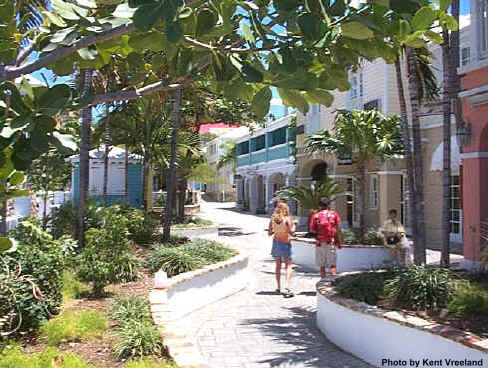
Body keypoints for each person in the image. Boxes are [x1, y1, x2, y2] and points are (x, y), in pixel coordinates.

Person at [309, 197, 342, 280]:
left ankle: (323, 281)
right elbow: (338, 229)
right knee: (333, 264)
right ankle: (334, 280)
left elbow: (312, 230)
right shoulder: (334, 214)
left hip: (319, 243)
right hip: (330, 242)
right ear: (328, 205)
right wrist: (339, 242)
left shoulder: (316, 215)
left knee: (322, 265)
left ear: (319, 205)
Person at [268, 202, 296, 297]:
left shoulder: (272, 219)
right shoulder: (287, 219)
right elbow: (292, 233)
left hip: (276, 243)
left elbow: (270, 232)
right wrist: (295, 225)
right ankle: (287, 285)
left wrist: (277, 230)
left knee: (278, 266)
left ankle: (278, 287)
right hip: (285, 243)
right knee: (288, 265)